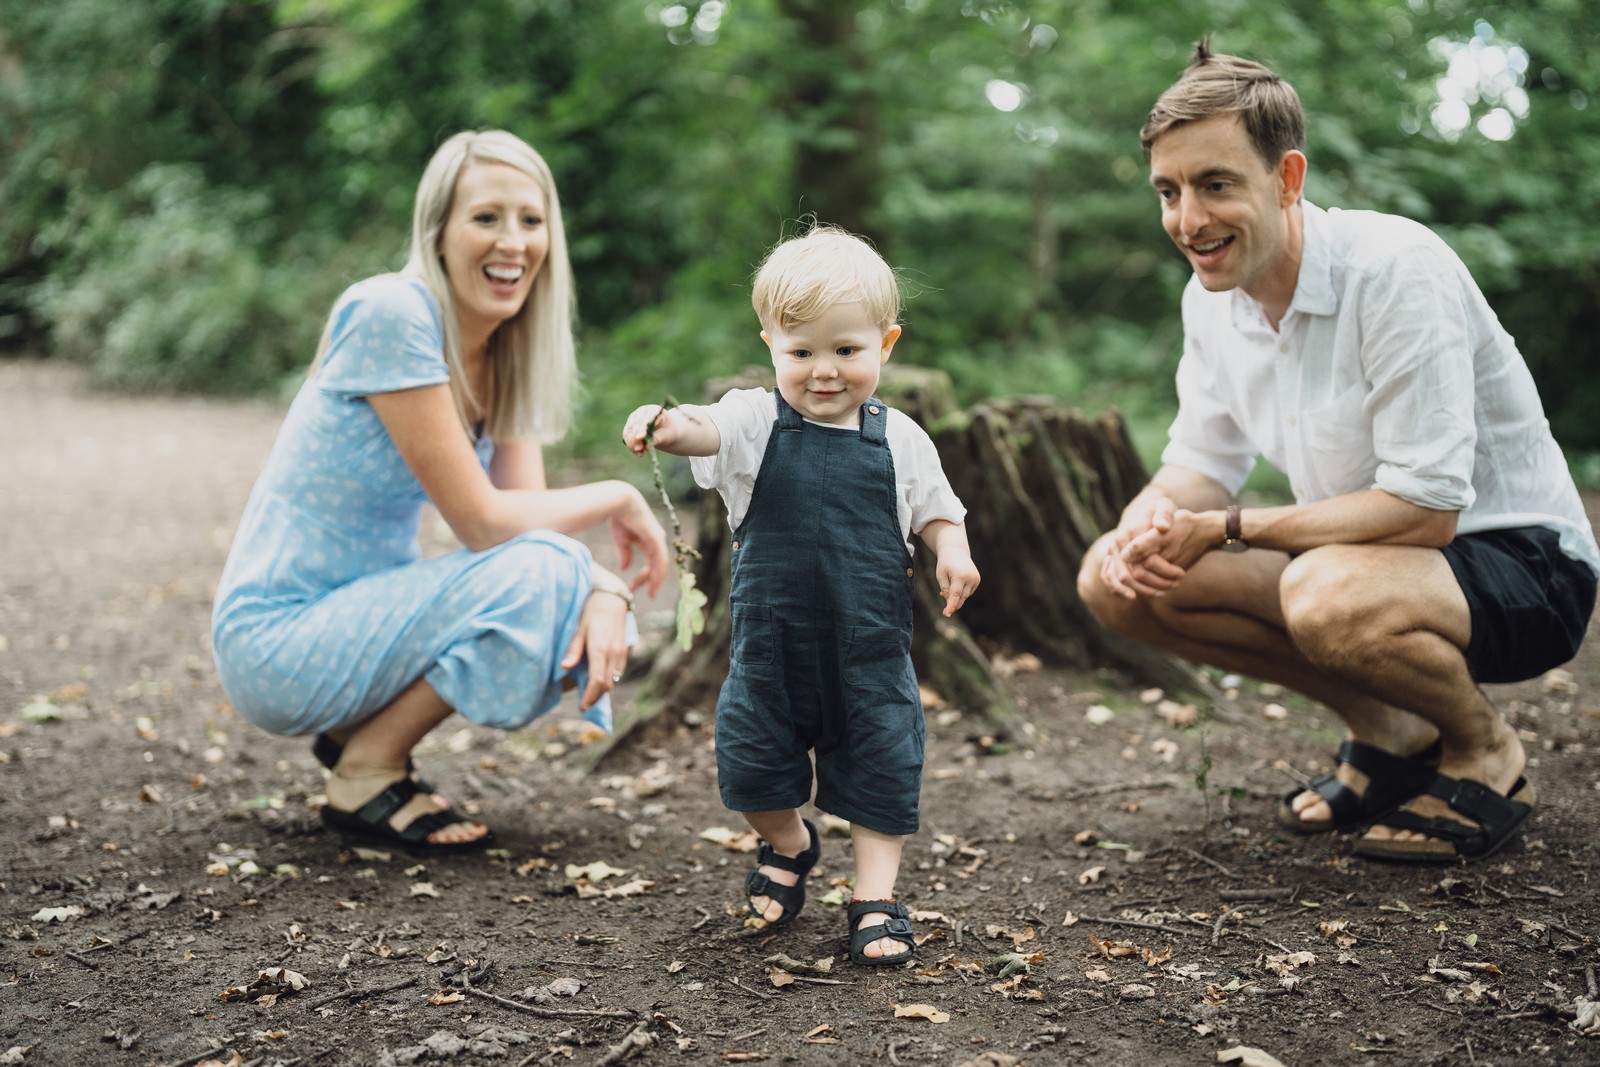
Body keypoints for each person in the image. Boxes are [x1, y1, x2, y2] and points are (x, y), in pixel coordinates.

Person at [1077, 43, 1599, 864]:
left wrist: (1228, 526)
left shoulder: (1394, 269)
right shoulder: (1210, 301)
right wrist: (1150, 520)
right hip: (1369, 566)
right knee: (1116, 575)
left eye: (1216, 185)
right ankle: (1391, 731)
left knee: (1322, 591)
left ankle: (1485, 752)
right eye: (1169, 192)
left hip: (1525, 567)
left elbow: (1428, 509)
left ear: (1287, 179)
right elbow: (1199, 462)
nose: (1188, 220)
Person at [212, 130, 668, 855]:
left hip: (363, 628)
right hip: (279, 637)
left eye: (531, 218)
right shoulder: (389, 312)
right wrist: (616, 497)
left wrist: (603, 586)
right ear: (440, 232)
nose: (512, 241)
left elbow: (525, 535)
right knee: (550, 576)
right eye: (486, 217)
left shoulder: (509, 351)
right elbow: (486, 525)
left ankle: (358, 735)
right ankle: (366, 767)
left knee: (555, 577)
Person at [621, 225, 980, 962]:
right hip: (771, 652)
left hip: (869, 652)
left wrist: (953, 550)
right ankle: (790, 842)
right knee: (750, 769)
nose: (824, 371)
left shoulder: (900, 436)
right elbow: (703, 429)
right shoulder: (756, 421)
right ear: (771, 345)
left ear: (886, 343)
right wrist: (665, 423)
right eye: (802, 351)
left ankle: (875, 897)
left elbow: (939, 506)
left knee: (882, 769)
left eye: (846, 351)